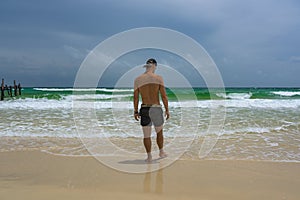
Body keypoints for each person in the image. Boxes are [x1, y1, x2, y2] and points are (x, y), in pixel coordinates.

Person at [133, 58, 170, 163]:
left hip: (144, 108)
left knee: (146, 135)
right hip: (156, 108)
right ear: (154, 66)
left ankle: (149, 157)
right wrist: (167, 110)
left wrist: (135, 111)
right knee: (159, 133)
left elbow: (135, 97)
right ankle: (161, 152)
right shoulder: (158, 78)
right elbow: (164, 96)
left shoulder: (138, 79)